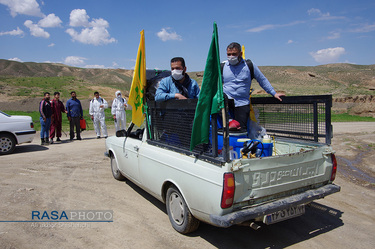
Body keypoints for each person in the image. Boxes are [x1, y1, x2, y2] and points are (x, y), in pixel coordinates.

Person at [222, 42, 285, 131]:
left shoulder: (249, 65)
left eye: (234, 54)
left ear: (240, 54)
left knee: (241, 130)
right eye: (229, 54)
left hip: (242, 103)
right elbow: (214, 84)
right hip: (226, 102)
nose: (231, 56)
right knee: (224, 129)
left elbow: (262, 80)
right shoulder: (222, 66)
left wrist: (273, 93)